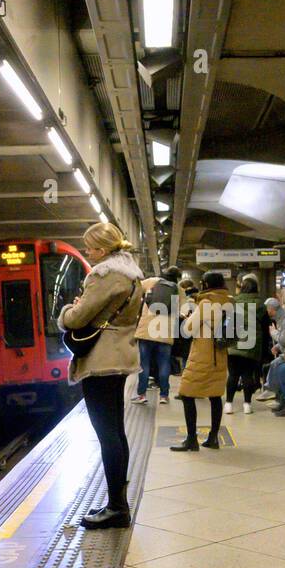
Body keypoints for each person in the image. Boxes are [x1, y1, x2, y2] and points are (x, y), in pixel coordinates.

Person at [57, 222, 145, 528]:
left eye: (90, 248)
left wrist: (68, 310)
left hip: (101, 359)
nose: (87, 252)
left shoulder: (104, 274)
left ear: (104, 249)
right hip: (119, 354)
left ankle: (117, 508)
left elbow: (77, 318)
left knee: (107, 433)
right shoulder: (132, 274)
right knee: (116, 431)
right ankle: (117, 502)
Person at [172, 271, 231, 451]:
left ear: (205, 284)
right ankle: (213, 438)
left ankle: (191, 440)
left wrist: (189, 317)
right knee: (215, 395)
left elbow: (188, 329)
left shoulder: (206, 303)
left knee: (186, 394)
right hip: (220, 354)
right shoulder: (228, 301)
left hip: (202, 355)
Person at [132, 266, 180, 406]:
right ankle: (164, 396)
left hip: (147, 331)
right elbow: (182, 309)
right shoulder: (177, 288)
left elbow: (135, 290)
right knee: (164, 364)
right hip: (165, 333)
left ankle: (141, 395)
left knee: (144, 364)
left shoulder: (152, 281)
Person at [224, 275, 267, 415]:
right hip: (252, 343)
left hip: (234, 343)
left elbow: (227, 322)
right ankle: (247, 405)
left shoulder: (234, 302)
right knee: (247, 374)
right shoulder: (261, 305)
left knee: (232, 375)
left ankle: (228, 404)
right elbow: (266, 325)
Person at [255, 297, 285, 401]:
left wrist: (274, 333)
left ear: (271, 309)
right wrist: (277, 346)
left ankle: (271, 390)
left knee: (275, 364)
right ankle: (271, 389)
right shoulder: (281, 319)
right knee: (273, 364)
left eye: (267, 309)